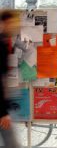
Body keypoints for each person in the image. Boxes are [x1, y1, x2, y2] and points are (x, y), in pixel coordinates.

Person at [0, 11, 21, 148]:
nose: (16, 25)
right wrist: (3, 112)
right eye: (13, 22)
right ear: (5, 23)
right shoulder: (0, 45)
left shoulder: (5, 43)